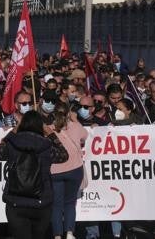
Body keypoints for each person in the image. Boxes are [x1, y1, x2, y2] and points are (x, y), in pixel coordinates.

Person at [0, 111, 69, 239]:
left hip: (16, 201)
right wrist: (51, 134)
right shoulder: (47, 145)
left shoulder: (12, 143)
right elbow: (63, 156)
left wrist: (13, 132)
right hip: (41, 202)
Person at [49, 102, 87, 239]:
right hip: (74, 170)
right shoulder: (75, 126)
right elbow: (85, 136)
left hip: (55, 171)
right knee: (70, 203)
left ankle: (57, 235)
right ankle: (69, 233)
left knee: (56, 205)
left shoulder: (47, 129)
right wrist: (75, 120)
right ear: (67, 114)